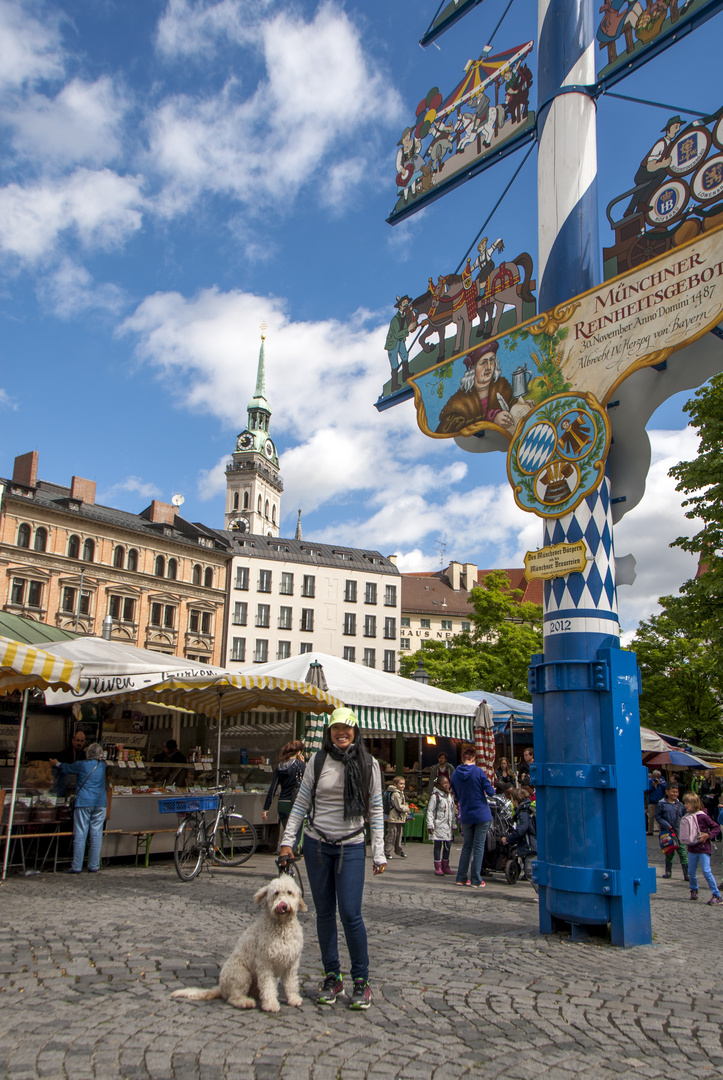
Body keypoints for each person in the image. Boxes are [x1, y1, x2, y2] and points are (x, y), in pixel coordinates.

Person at [278, 707, 385, 1011]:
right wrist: (288, 842)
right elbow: (301, 802)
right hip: (317, 845)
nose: (341, 733)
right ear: (329, 731)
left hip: (351, 846)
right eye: (336, 728)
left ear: (355, 731)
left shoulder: (369, 764)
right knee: (324, 913)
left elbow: (376, 808)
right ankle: (332, 976)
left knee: (351, 914)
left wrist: (378, 852)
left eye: (347, 728)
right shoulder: (318, 759)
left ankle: (361, 980)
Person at [436, 341, 518, 435]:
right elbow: (446, 427)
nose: (488, 367)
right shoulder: (459, 401)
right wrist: (491, 419)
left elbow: (511, 403)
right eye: (483, 363)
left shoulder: (502, 385)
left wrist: (522, 404)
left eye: (491, 360)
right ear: (472, 369)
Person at [50, 742, 107, 873]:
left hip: (84, 802)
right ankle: (94, 865)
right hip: (100, 802)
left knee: (81, 833)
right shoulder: (102, 765)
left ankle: (76, 866)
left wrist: (56, 763)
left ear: (88, 753)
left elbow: (66, 768)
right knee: (96, 834)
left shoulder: (82, 765)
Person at [450, 744, 496, 888]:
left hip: (466, 813)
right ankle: (476, 879)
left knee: (466, 846)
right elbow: (490, 792)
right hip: (481, 813)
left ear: (463, 758)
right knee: (478, 846)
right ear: (474, 758)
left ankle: (461, 877)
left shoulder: (455, 774)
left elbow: (455, 794)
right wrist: (492, 788)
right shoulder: (479, 772)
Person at [624, 116, 683, 218]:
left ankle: (632, 210)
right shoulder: (661, 143)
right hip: (643, 172)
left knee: (642, 188)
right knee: (661, 173)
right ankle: (638, 205)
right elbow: (650, 167)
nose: (678, 130)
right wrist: (663, 164)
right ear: (669, 128)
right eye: (676, 127)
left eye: (679, 127)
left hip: (650, 173)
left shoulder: (671, 144)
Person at [262, 740, 305, 850]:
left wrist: (266, 808)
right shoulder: (299, 765)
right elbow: (306, 782)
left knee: (288, 833)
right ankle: (286, 856)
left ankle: (286, 859)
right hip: (295, 803)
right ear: (299, 752)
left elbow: (273, 788)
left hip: (282, 804)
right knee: (296, 836)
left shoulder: (279, 766)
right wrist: (303, 764)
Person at [681, 793, 722, 905]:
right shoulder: (687, 815)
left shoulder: (703, 816)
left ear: (694, 804)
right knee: (691, 871)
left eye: (687, 803)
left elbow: (716, 827)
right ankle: (694, 889)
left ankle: (717, 895)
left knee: (706, 871)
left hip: (703, 848)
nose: (685, 805)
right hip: (692, 848)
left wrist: (708, 835)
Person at [500, 786, 538, 893]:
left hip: (530, 846)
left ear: (516, 801)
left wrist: (508, 839)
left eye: (512, 800)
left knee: (530, 872)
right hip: (533, 845)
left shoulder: (523, 812)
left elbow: (521, 830)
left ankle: (544, 897)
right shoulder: (528, 809)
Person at [655, 781, 689, 881]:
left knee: (683, 853)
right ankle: (668, 871)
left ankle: (686, 874)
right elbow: (658, 816)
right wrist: (666, 825)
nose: (674, 794)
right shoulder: (662, 804)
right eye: (673, 792)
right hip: (668, 833)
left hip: (679, 833)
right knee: (669, 852)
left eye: (676, 792)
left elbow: (684, 816)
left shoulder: (680, 805)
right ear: (667, 792)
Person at [426, 775, 456, 876]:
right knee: (438, 846)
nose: (446, 785)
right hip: (438, 825)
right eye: (444, 783)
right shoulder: (435, 796)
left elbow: (452, 812)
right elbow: (430, 811)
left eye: (447, 783)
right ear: (439, 785)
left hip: (447, 826)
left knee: (448, 845)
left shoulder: (449, 796)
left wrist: (454, 825)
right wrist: (430, 825)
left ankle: (446, 865)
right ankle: (438, 866)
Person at [384, 776, 410, 860]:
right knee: (392, 834)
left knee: (399, 834)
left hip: (399, 817)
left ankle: (398, 850)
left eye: (403, 784)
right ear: (395, 784)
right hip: (393, 817)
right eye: (401, 784)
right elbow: (399, 806)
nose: (403, 786)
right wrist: (406, 808)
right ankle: (387, 851)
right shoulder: (395, 794)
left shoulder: (400, 793)